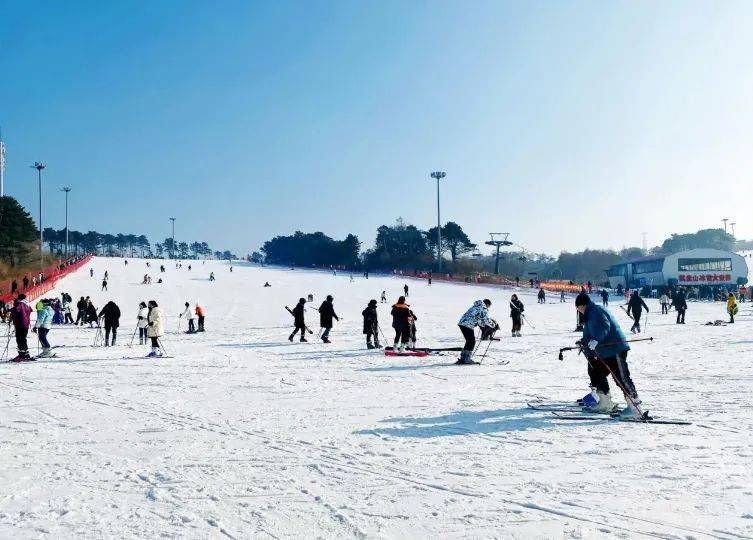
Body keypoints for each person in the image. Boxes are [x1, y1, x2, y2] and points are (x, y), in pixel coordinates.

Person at [576, 293, 643, 418]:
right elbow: (589, 334)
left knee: (621, 377)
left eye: (578, 307)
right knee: (596, 371)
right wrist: (584, 342)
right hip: (605, 351)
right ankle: (605, 402)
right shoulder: (589, 314)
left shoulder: (596, 311)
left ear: (583, 305)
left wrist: (596, 339)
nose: (578, 310)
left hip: (615, 348)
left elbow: (604, 326)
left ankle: (635, 408)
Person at [457, 299, 494, 365]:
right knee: (471, 341)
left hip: (462, 323)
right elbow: (486, 319)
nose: (488, 308)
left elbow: (479, 319)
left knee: (469, 341)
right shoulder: (483, 308)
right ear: (487, 304)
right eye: (489, 306)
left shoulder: (476, 306)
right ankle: (467, 359)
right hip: (468, 325)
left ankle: (463, 358)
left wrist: (483, 324)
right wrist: (493, 324)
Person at [9, 294, 33, 361]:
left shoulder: (20, 304)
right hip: (26, 324)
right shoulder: (27, 304)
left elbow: (16, 310)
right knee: (23, 339)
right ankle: (26, 354)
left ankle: (22, 355)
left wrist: (9, 310)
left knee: (19, 339)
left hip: (20, 324)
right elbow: (30, 310)